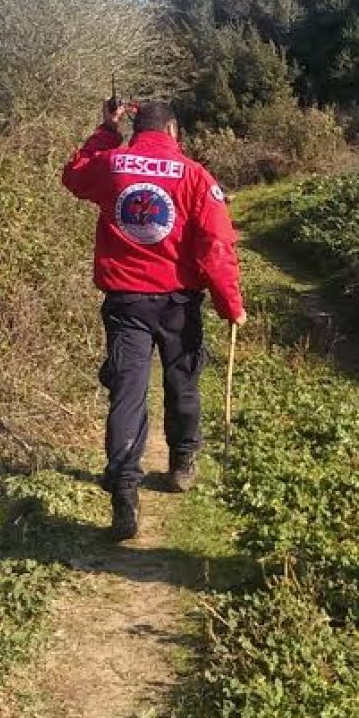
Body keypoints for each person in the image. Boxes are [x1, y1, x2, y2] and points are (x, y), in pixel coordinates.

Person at [62, 99, 247, 541]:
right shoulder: (195, 176)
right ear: (173, 131)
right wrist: (230, 303)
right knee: (182, 381)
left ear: (136, 129)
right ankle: (183, 462)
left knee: (127, 392)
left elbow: (74, 175)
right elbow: (216, 247)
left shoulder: (111, 165)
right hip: (178, 303)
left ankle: (124, 488)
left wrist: (106, 128)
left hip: (126, 301)